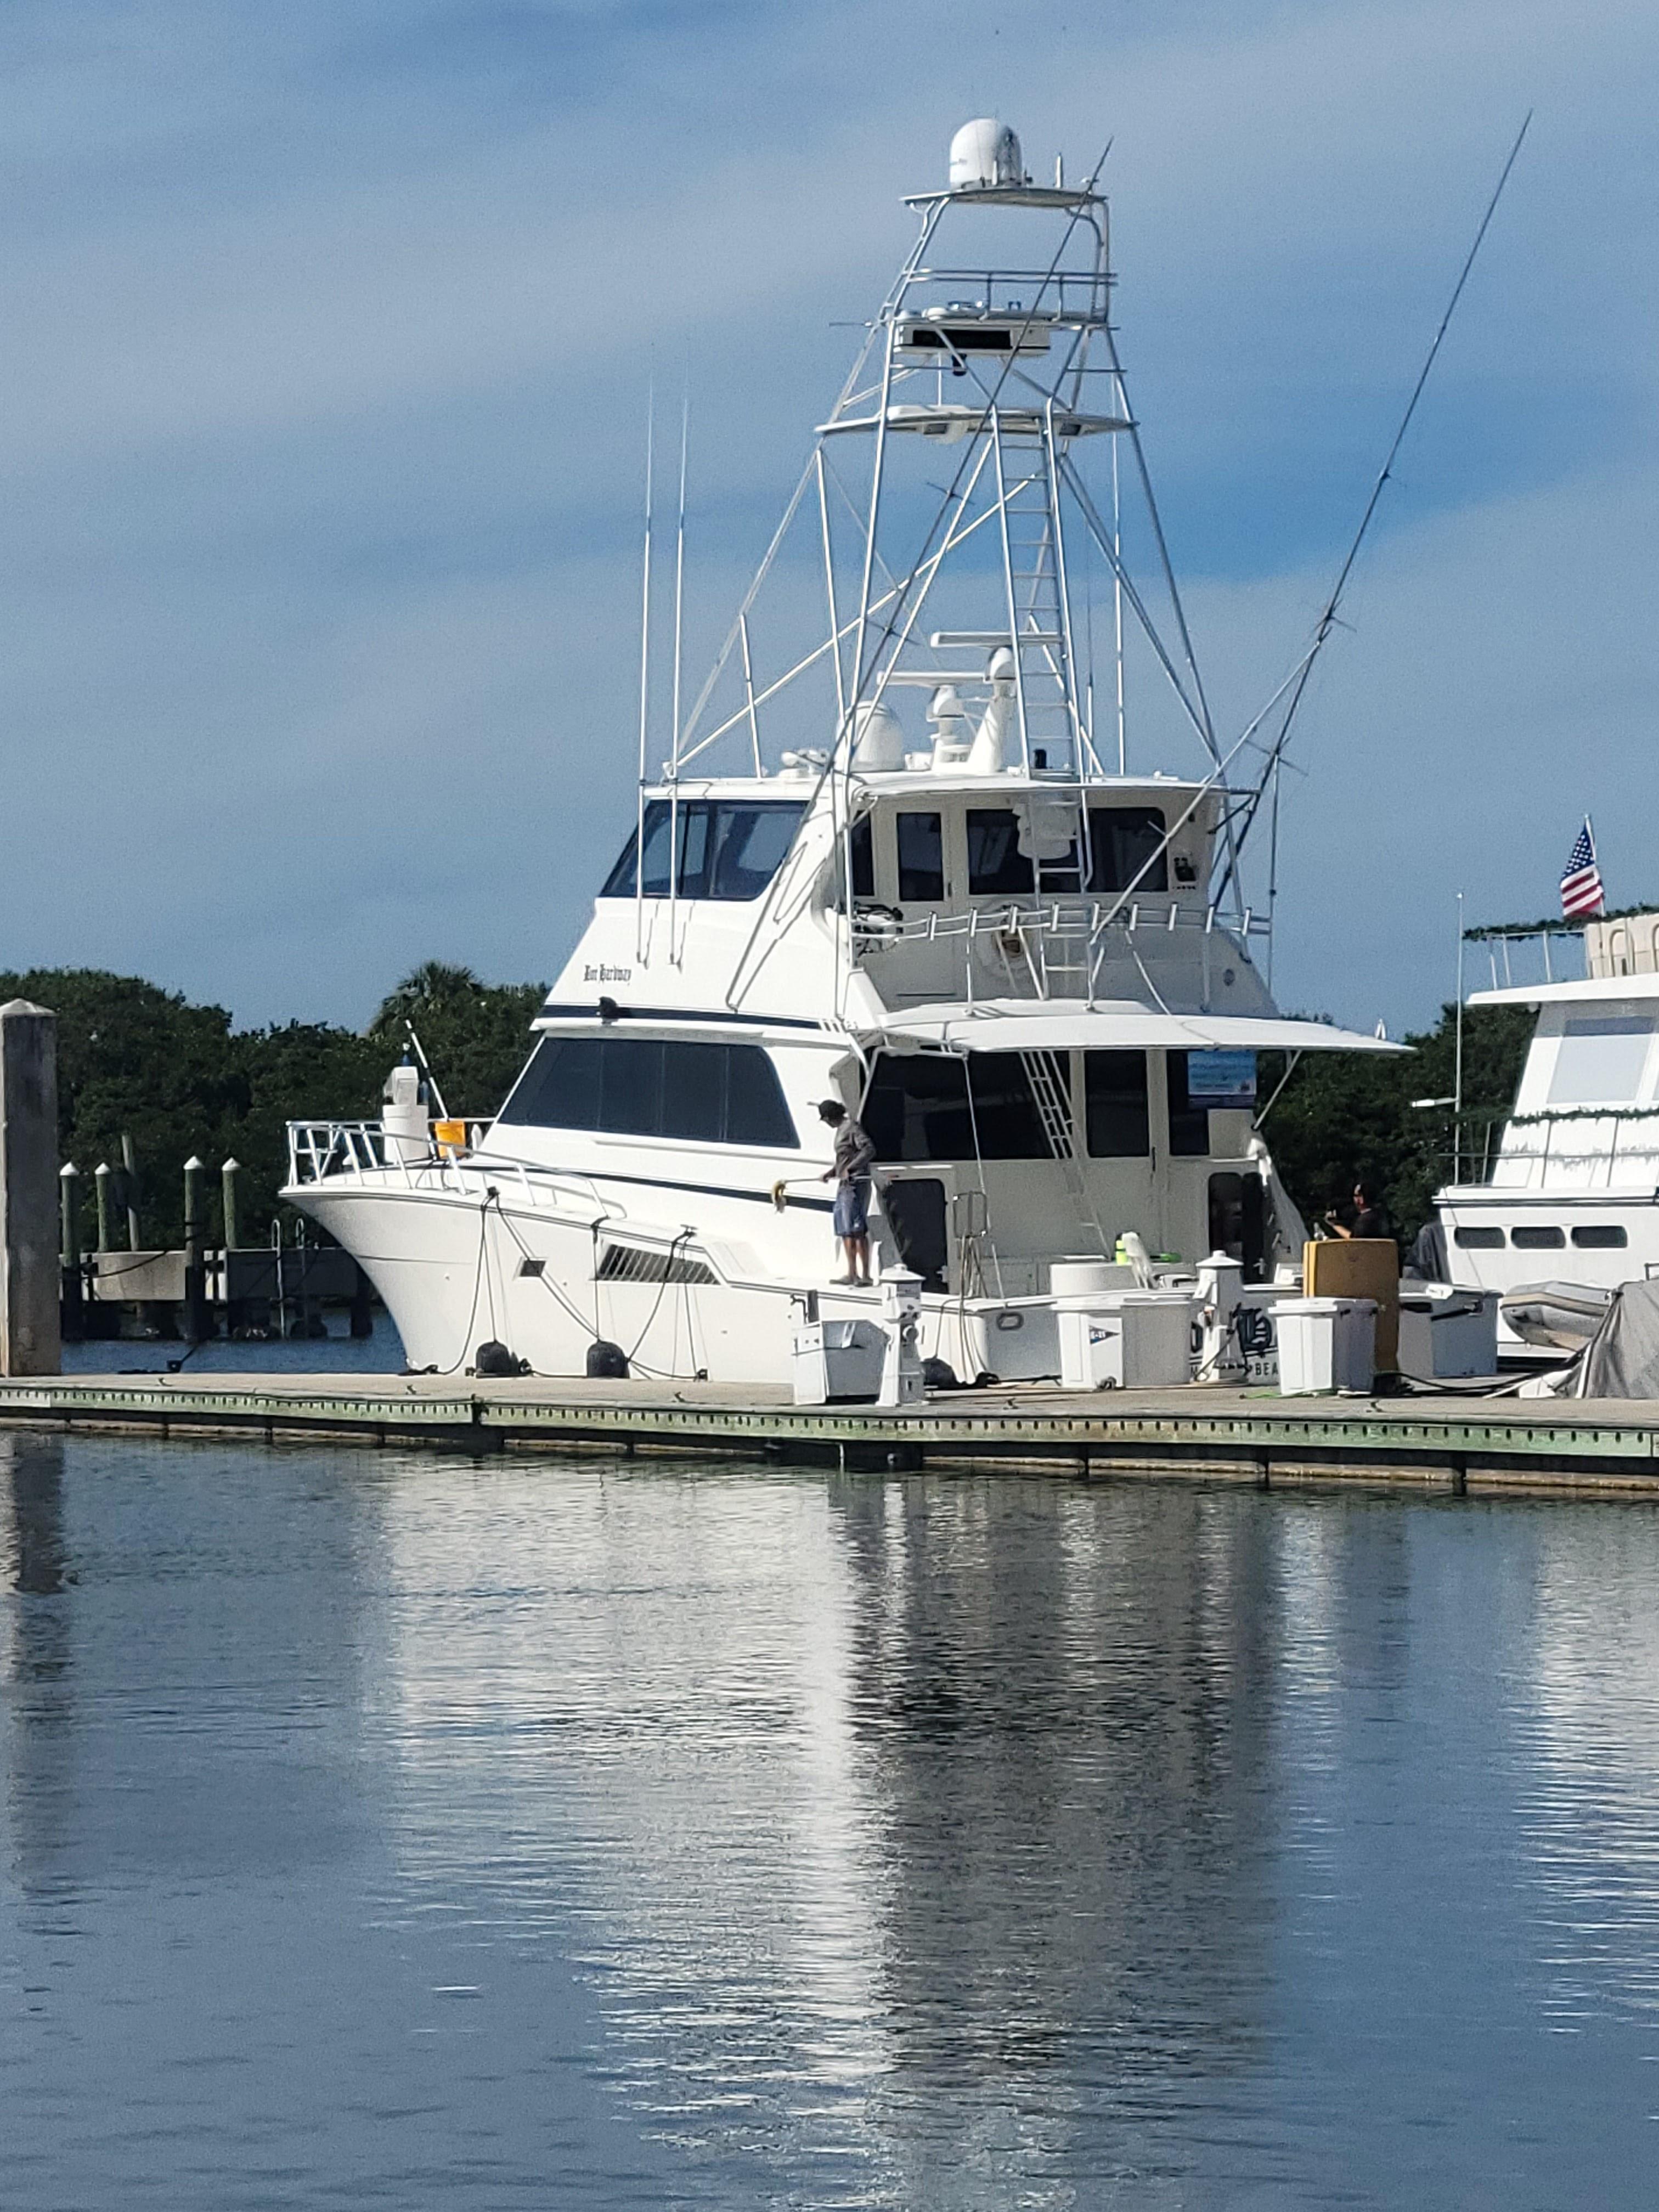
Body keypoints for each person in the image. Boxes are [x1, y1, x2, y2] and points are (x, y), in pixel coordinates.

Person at [817, 1098, 874, 1286]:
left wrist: (851, 1169)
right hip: (844, 1184)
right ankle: (852, 1273)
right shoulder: (841, 1130)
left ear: (829, 1117)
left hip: (854, 1183)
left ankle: (865, 1275)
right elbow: (843, 1158)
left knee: (856, 1230)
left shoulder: (851, 1127)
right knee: (845, 1230)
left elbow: (868, 1149)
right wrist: (832, 1173)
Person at [1325, 1180, 1391, 1242]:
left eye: (1357, 1196)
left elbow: (1355, 1240)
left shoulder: (1365, 1220)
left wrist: (1335, 1225)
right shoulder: (1381, 1216)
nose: (1357, 1200)